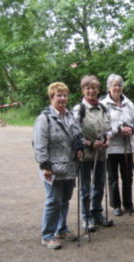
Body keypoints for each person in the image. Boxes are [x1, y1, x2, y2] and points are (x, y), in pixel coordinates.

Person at [33, 82, 83, 249]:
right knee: (53, 200)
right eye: (58, 95)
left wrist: (79, 147)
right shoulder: (44, 118)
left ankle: (62, 229)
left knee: (65, 200)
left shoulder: (70, 116)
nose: (62, 98)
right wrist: (45, 166)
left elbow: (77, 134)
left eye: (64, 95)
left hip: (69, 166)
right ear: (51, 97)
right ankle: (47, 235)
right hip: (52, 168)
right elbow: (39, 145)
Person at [73, 75, 112, 232]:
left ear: (98, 89)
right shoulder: (78, 109)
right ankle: (86, 217)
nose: (91, 91)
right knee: (85, 188)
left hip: (101, 154)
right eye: (87, 88)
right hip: (85, 156)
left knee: (100, 185)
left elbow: (108, 127)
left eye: (94, 87)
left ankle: (97, 213)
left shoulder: (103, 108)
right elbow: (74, 134)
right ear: (83, 90)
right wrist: (89, 143)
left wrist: (107, 139)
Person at [100, 74, 134, 217]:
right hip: (111, 147)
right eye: (114, 85)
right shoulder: (103, 105)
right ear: (109, 87)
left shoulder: (129, 103)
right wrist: (118, 129)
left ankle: (128, 204)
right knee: (113, 178)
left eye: (119, 85)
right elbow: (103, 126)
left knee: (127, 177)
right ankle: (116, 205)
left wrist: (131, 128)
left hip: (127, 146)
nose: (117, 88)